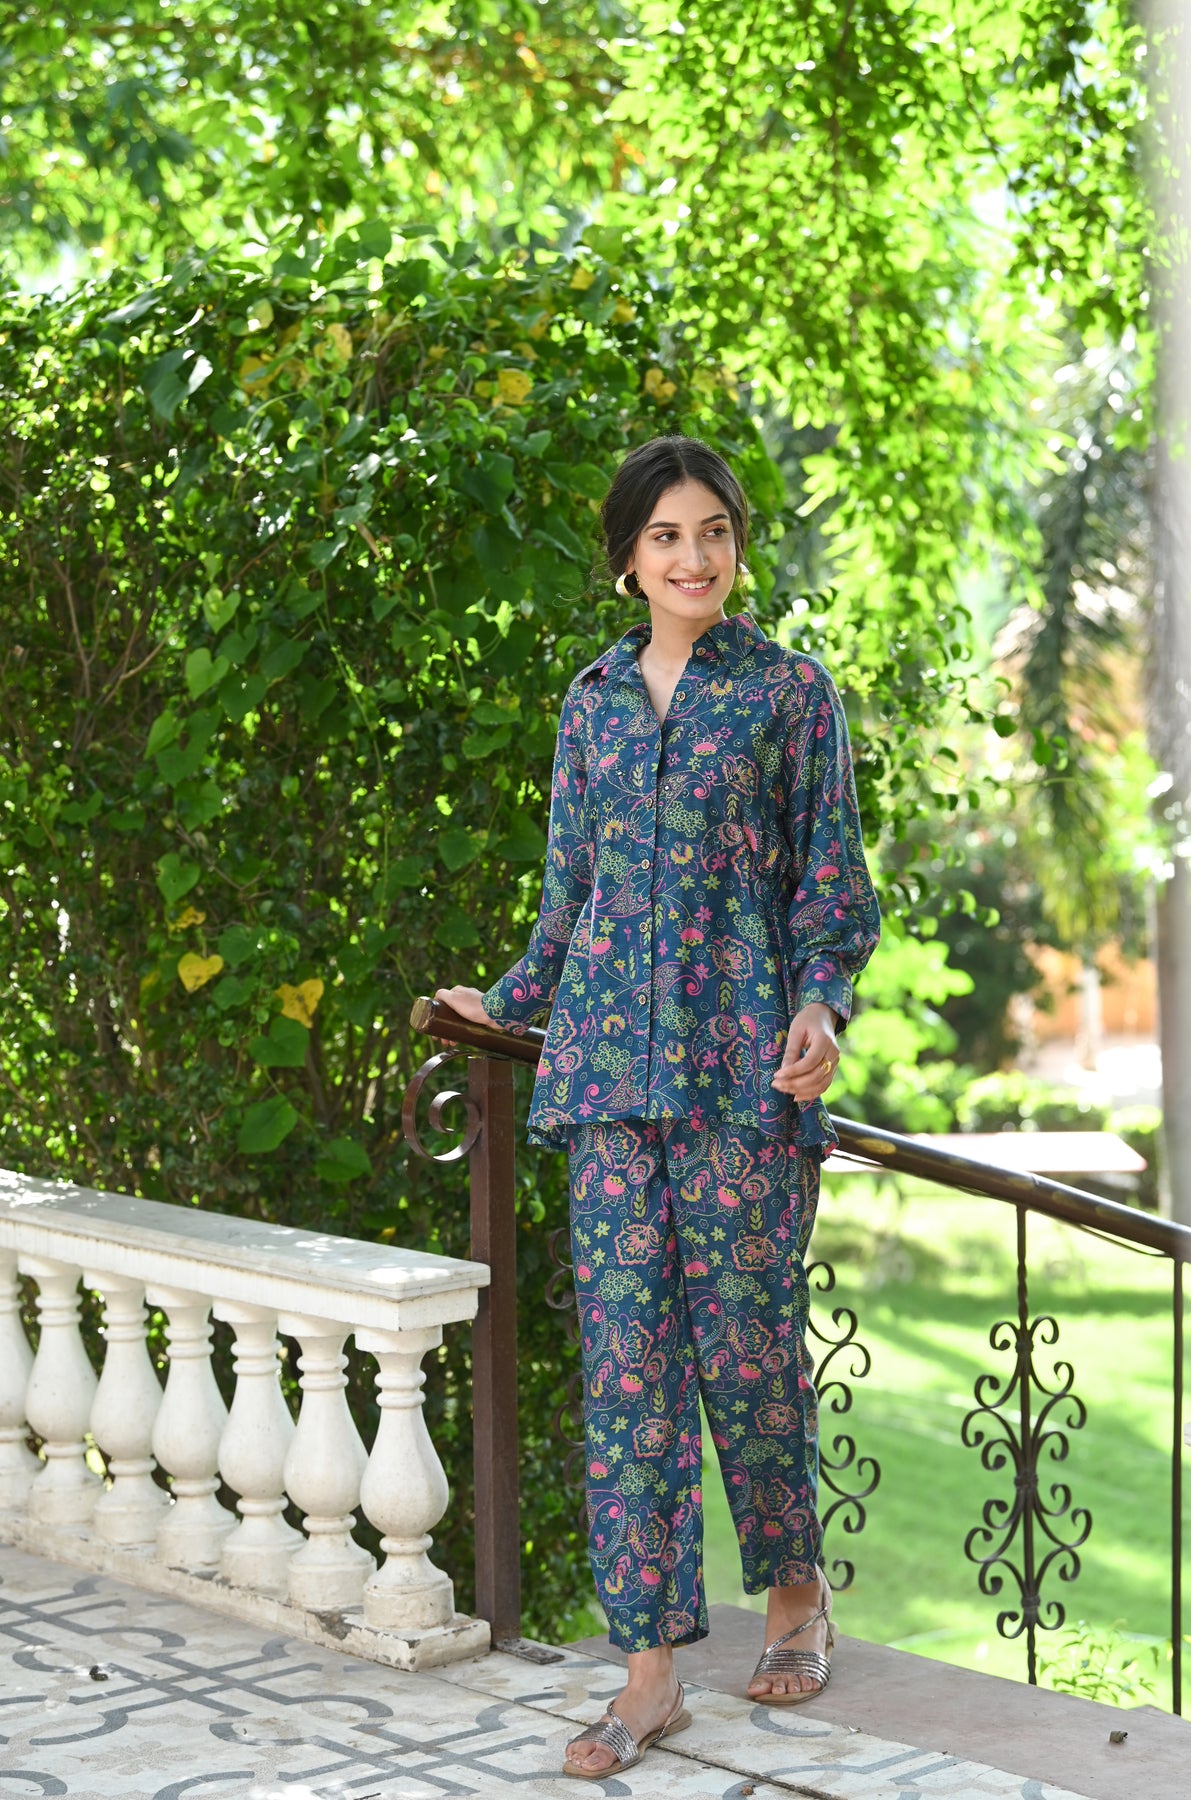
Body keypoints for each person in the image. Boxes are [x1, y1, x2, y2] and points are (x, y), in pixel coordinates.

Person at [436, 434, 881, 1779]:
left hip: (744, 1082)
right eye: (668, 536)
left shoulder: (789, 695)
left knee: (746, 1357)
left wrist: (821, 1008)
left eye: (715, 532)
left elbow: (830, 884)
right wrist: (503, 998)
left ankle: (794, 1589)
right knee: (628, 1374)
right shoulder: (591, 706)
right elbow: (569, 896)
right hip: (608, 1086)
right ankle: (648, 1680)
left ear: (737, 547)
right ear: (628, 558)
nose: (695, 557)